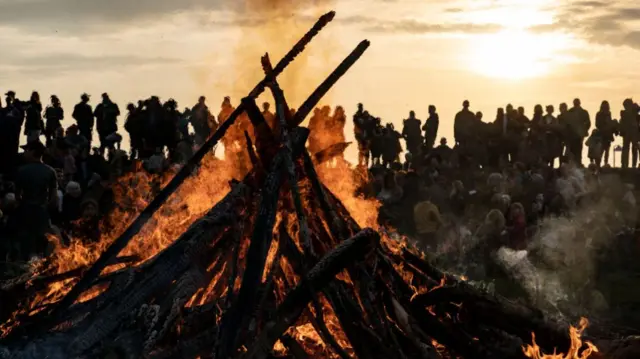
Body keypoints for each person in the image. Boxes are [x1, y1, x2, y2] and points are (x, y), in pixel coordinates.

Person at [14, 141, 58, 259]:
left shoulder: (21, 171)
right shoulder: (50, 171)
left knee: (25, 245)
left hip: (25, 212)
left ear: (33, 152)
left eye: (26, 150)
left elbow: (17, 195)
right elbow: (53, 198)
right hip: (42, 213)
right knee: (41, 245)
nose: (24, 153)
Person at [565, 98, 591, 165]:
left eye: (577, 102)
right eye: (575, 102)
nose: (576, 104)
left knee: (579, 149)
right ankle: (573, 163)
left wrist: (584, 130)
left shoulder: (584, 112)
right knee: (573, 149)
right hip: (572, 134)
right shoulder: (570, 111)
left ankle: (578, 163)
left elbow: (588, 123)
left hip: (580, 134)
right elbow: (567, 122)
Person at [595, 100, 616, 167]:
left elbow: (609, 123)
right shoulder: (599, 114)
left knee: (606, 150)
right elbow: (597, 124)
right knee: (601, 150)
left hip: (607, 134)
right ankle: (598, 164)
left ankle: (605, 163)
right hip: (602, 134)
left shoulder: (608, 113)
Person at [620, 98, 639, 168]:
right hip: (627, 132)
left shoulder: (634, 111)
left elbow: (638, 109)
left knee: (633, 148)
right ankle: (625, 164)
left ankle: (633, 164)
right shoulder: (624, 113)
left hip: (633, 132)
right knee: (626, 149)